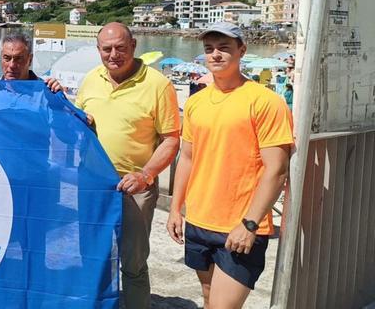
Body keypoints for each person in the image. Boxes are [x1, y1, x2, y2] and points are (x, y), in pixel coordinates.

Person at [167, 22, 293, 309]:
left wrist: (249, 223)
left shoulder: (265, 102)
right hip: (199, 220)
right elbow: (187, 158)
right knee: (210, 298)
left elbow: (277, 169)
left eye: (224, 48)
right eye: (210, 49)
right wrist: (176, 208)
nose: (216, 55)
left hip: (240, 224)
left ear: (241, 51)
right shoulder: (197, 102)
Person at [74, 22, 181, 309]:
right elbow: (77, 124)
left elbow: (171, 139)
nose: (113, 54)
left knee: (133, 263)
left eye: (120, 48)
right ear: (98, 50)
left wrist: (146, 175)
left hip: (136, 188)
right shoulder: (90, 79)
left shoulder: (158, 85)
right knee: (91, 255)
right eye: (106, 49)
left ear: (134, 46)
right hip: (94, 185)